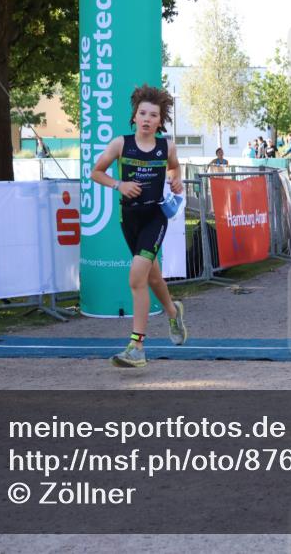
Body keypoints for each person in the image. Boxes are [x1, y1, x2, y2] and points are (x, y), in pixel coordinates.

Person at [91, 84, 188, 369]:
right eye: (142, 113)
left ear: (160, 120)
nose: (147, 119)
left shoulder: (166, 146)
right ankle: (173, 311)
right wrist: (119, 184)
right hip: (129, 219)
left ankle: (137, 346)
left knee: (137, 278)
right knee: (154, 278)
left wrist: (176, 179)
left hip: (155, 217)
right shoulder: (121, 144)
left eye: (153, 115)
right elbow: (96, 172)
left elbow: (174, 169)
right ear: (134, 117)